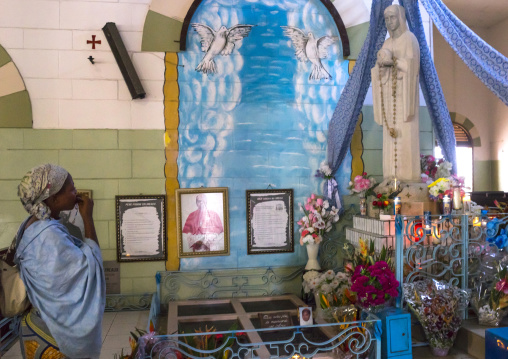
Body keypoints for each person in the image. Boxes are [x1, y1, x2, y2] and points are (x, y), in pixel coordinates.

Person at [14, 164, 105, 358]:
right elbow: (90, 271)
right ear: (54, 198)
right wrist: (87, 218)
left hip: (39, 323)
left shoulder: (32, 223)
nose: (76, 192)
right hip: (52, 334)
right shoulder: (48, 236)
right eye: (71, 189)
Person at [371, 4, 421, 182]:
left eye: (392, 17)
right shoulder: (387, 43)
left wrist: (393, 61)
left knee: (405, 136)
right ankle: (390, 178)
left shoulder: (410, 39)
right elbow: (379, 71)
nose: (389, 22)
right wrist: (379, 68)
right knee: (389, 138)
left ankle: (408, 179)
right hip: (389, 97)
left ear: (400, 18)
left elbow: (412, 67)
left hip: (404, 97)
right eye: (386, 19)